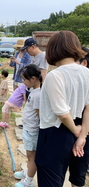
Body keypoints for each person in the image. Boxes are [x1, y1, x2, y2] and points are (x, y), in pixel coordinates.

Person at [35, 31, 89, 187]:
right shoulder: (87, 72)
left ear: (53, 49)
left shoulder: (55, 75)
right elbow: (88, 107)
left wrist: (76, 131)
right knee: (70, 174)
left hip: (55, 132)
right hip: (79, 128)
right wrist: (82, 135)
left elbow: (62, 113)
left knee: (50, 178)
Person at [13, 64, 42, 187]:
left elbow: (40, 115)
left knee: (32, 158)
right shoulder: (34, 91)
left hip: (32, 131)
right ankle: (28, 172)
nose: (23, 82)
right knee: (29, 155)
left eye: (24, 79)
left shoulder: (37, 95)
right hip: (29, 129)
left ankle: (28, 181)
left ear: (33, 79)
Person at [69, 46, 89, 187]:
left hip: (82, 135)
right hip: (79, 133)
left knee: (77, 174)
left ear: (84, 63)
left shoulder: (82, 81)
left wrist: (82, 135)